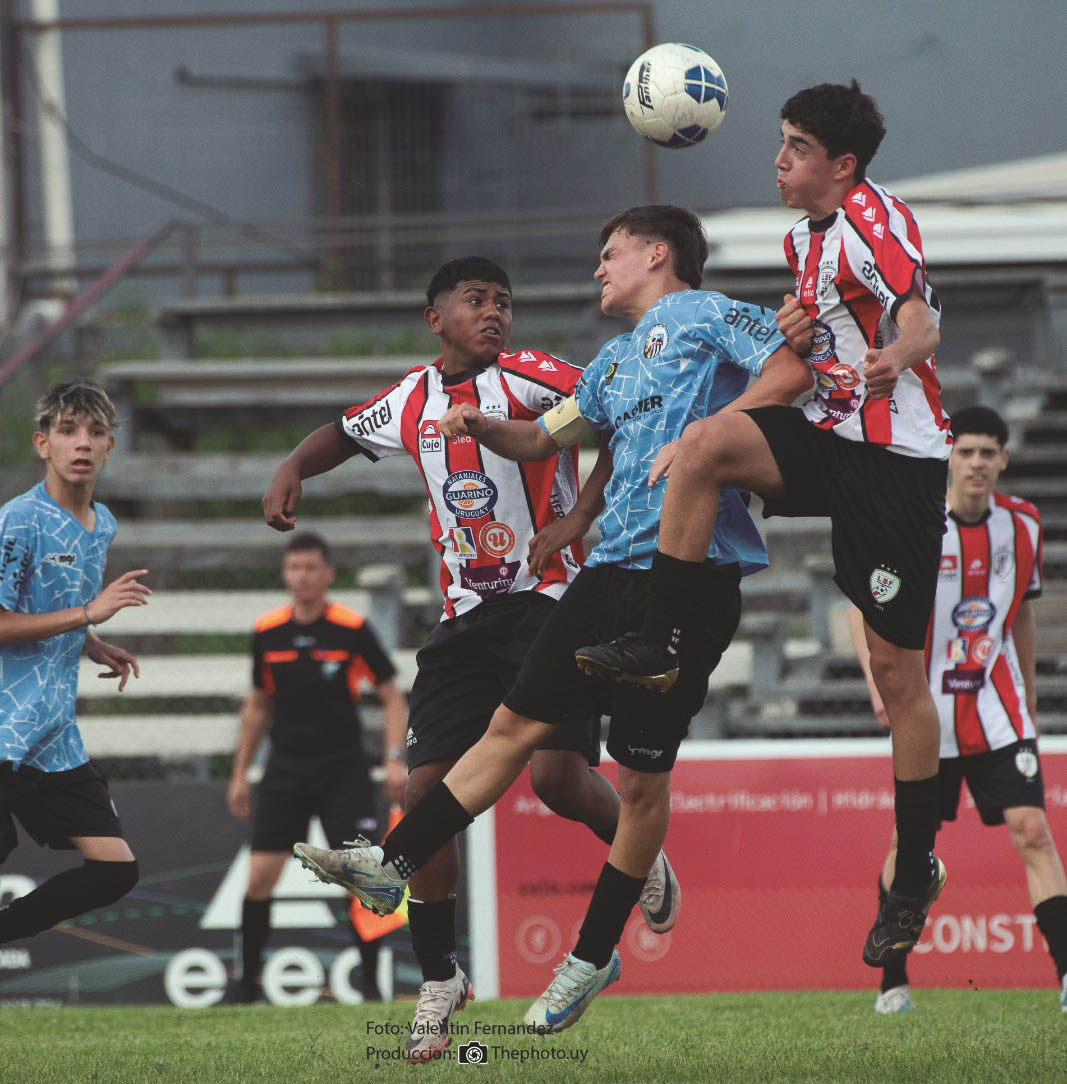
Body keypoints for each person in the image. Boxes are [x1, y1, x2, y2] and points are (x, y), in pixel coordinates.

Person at [290, 206, 812, 1033]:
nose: (597, 271)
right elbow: (541, 441)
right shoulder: (606, 367)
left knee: (635, 781)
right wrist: (489, 432)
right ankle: (389, 867)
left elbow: (790, 370)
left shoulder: (707, 314)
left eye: (608, 255)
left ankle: (591, 953)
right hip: (603, 577)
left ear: (655, 252)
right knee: (506, 731)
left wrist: (713, 434)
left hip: (690, 579)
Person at [262, 256, 675, 1061]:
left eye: (503, 302)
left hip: (549, 604)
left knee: (555, 781)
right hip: (462, 619)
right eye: (476, 299)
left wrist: (578, 516)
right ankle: (439, 975)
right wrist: (290, 466)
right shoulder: (411, 398)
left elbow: (623, 417)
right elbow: (340, 434)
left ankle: (640, 852)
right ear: (434, 317)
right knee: (424, 786)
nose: (494, 313)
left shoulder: (532, 377)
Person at [582, 81, 953, 970]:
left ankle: (911, 877)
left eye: (794, 147)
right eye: (780, 143)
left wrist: (895, 356)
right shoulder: (801, 239)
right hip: (827, 439)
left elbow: (918, 316)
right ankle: (659, 639)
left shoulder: (876, 217)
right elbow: (819, 331)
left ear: (842, 165)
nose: (779, 160)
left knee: (896, 675)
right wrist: (800, 327)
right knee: (703, 445)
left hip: (896, 461)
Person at [849, 406, 1067, 1014]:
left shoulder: (1024, 524)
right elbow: (863, 604)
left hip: (998, 709)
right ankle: (892, 981)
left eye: (986, 452)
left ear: (1003, 458)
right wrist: (878, 682)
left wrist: (1026, 691)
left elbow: (1021, 608)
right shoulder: (917, 522)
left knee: (1034, 831)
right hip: (926, 709)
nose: (976, 463)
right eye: (965, 451)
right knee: (908, 845)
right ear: (949, 455)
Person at [225, 531, 408, 1003]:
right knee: (260, 876)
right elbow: (259, 703)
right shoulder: (267, 630)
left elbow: (392, 695)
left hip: (342, 771)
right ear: (285, 574)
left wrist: (394, 759)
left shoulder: (350, 627)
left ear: (328, 575)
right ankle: (246, 988)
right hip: (284, 770)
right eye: (294, 568)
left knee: (360, 877)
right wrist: (240, 771)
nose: (302, 577)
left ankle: (371, 987)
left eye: (311, 568)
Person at [0, 381, 148, 944]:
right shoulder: (20, 521)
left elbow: (57, 609)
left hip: (52, 734)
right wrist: (89, 614)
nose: (81, 443)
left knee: (115, 870)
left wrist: (91, 642)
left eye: (94, 432)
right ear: (42, 443)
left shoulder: (101, 524)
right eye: (67, 431)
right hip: (4, 728)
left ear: (110, 446)